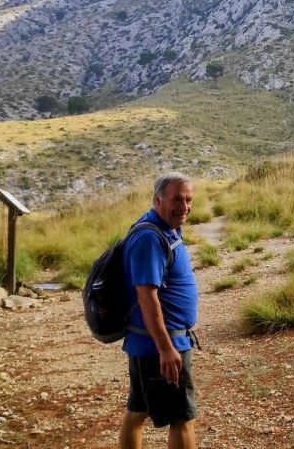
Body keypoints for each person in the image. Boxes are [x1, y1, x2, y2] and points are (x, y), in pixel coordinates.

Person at [119, 172, 199, 449]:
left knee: (138, 410)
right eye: (177, 199)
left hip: (150, 343)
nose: (185, 206)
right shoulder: (150, 238)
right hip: (161, 345)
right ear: (157, 199)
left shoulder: (163, 230)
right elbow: (146, 297)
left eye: (189, 200)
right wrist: (166, 348)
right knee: (182, 419)